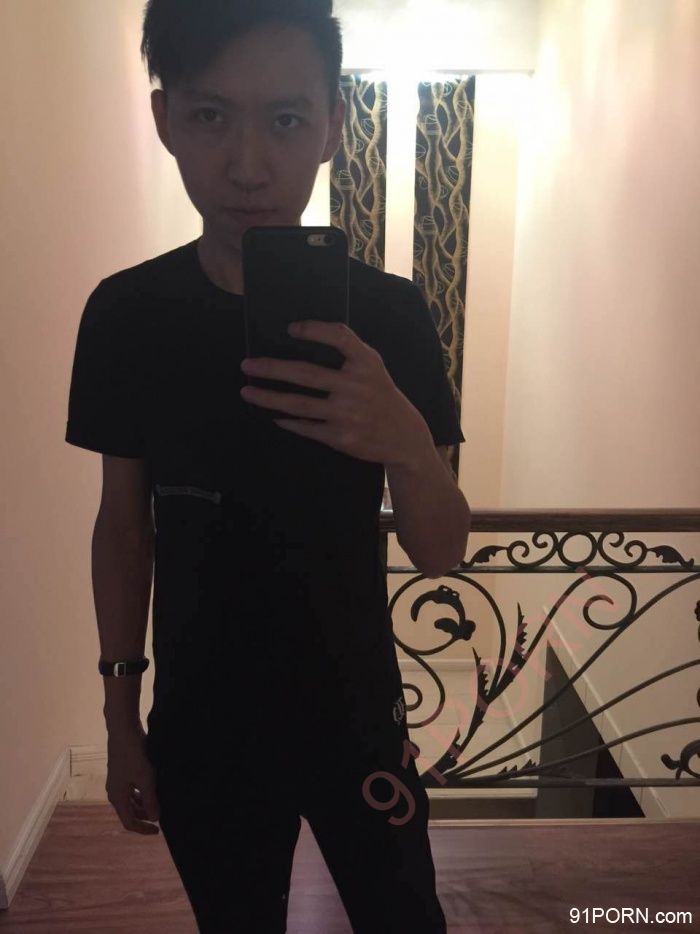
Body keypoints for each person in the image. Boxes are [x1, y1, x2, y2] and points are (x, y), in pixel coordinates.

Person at [65, 0, 471, 930]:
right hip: (203, 726)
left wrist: (407, 443)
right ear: (166, 119)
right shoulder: (127, 314)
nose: (248, 165)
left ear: (332, 124)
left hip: (357, 717)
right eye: (211, 115)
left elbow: (442, 550)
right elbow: (124, 525)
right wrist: (120, 719)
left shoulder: (392, 315)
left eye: (285, 119)